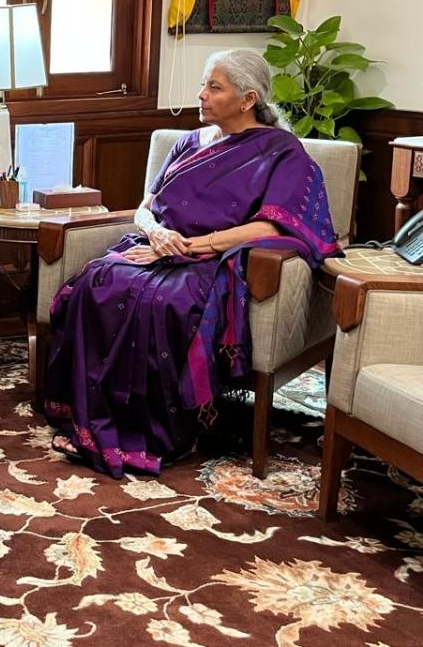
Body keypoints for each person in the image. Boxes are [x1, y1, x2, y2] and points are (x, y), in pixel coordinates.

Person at [44, 49, 340, 478]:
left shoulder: (281, 151)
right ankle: (95, 413)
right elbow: (145, 207)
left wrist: (196, 245)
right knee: (99, 278)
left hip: (212, 259)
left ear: (247, 99)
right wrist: (158, 235)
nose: (200, 95)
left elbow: (276, 227)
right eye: (204, 83)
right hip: (160, 245)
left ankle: (159, 431)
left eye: (214, 87)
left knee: (168, 302)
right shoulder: (186, 143)